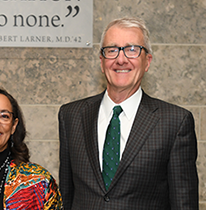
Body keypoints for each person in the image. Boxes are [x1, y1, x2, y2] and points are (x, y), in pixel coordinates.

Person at [58, 17, 198, 209]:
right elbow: (66, 196)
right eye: (112, 50)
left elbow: (184, 204)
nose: (121, 59)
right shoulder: (71, 116)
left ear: (147, 61)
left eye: (132, 49)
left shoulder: (175, 122)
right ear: (102, 61)